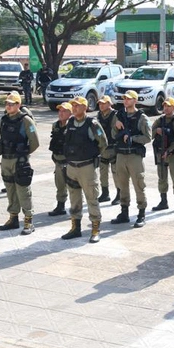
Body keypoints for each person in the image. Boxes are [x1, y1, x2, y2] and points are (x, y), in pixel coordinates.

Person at [60, 97, 107, 243]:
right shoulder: (70, 123)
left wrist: (92, 154)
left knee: (92, 198)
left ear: (85, 108)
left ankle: (95, 229)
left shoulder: (92, 124)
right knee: (74, 198)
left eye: (77, 106)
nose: (74, 108)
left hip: (87, 167)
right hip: (72, 167)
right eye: (73, 105)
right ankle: (75, 228)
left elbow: (103, 143)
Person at [0, 92, 40, 235]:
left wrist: (24, 154)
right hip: (6, 159)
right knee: (10, 189)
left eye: (12, 104)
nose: (8, 106)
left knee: (23, 190)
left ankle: (28, 220)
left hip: (19, 160)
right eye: (7, 103)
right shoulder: (4, 119)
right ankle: (13, 217)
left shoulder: (25, 120)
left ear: (18, 105)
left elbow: (35, 142)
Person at [110, 91, 151, 227]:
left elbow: (148, 137)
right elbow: (112, 133)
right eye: (124, 98)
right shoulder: (119, 115)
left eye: (128, 99)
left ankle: (141, 214)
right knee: (122, 185)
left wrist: (133, 139)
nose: (125, 101)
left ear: (135, 100)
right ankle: (124, 212)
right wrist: (117, 128)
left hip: (134, 155)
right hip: (121, 154)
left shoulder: (142, 117)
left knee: (139, 184)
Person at [151, 98, 174, 213]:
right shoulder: (160, 120)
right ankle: (163, 201)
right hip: (160, 152)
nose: (166, 108)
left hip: (172, 154)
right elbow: (150, 132)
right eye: (164, 106)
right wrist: (158, 131)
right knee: (162, 177)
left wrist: (169, 151)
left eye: (169, 106)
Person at [47, 102, 72, 217]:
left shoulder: (72, 126)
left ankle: (76, 207)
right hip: (58, 160)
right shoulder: (55, 125)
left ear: (70, 113)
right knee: (60, 184)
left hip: (70, 162)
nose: (61, 113)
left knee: (73, 186)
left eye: (64, 111)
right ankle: (60, 206)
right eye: (60, 111)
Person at [95, 96, 117, 203]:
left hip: (113, 148)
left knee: (116, 173)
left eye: (103, 103)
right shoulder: (99, 115)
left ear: (109, 104)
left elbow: (115, 132)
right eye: (100, 104)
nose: (101, 105)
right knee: (103, 172)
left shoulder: (115, 115)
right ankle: (105, 193)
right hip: (103, 149)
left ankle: (119, 194)